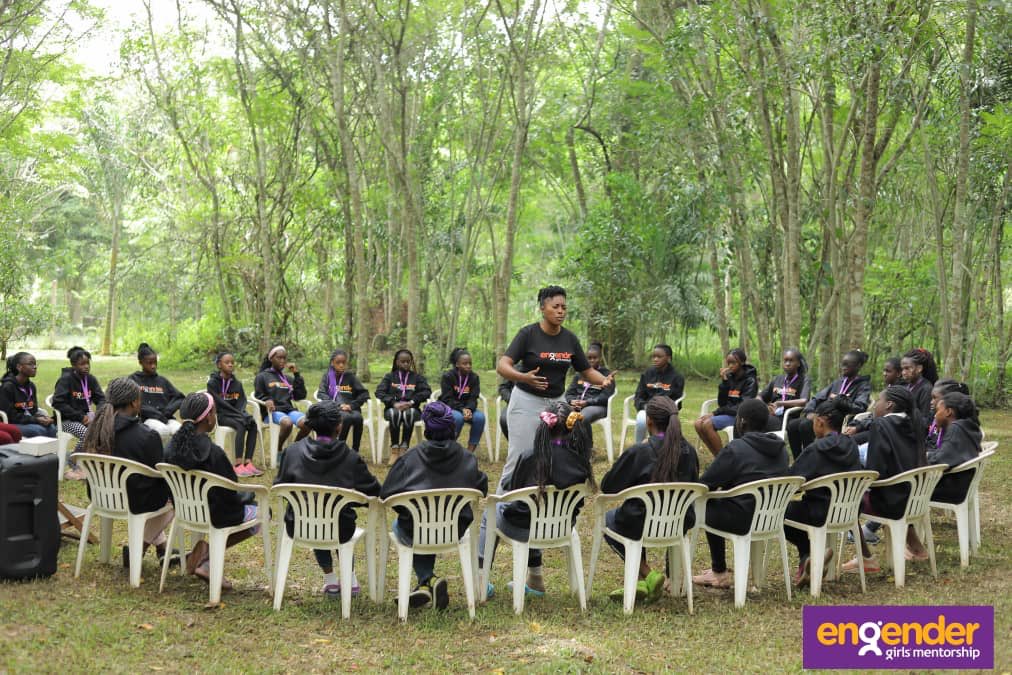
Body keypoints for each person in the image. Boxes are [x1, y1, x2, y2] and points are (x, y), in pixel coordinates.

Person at [496, 285, 614, 491]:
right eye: (555, 306)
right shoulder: (528, 334)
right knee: (520, 457)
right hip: (526, 401)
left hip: (557, 405)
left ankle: (548, 513)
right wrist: (523, 377)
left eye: (564, 307)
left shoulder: (569, 339)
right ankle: (499, 512)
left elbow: (586, 370)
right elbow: (503, 365)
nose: (561, 311)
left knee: (556, 457)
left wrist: (602, 380)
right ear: (543, 308)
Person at [479, 400, 595, 599]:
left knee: (493, 513)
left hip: (523, 528)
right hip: (562, 526)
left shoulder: (529, 456)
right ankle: (536, 578)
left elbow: (510, 489)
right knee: (536, 512)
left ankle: (480, 579)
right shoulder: (581, 461)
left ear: (543, 427)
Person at [380, 401, 488, 610]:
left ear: (427, 427)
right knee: (420, 523)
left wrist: (410, 510)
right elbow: (481, 487)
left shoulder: (410, 458)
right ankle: (427, 582)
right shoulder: (467, 457)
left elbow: (387, 493)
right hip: (454, 529)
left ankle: (426, 579)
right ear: (451, 427)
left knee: (401, 525)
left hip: (417, 529)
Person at [274, 400, 380, 597]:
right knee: (336, 515)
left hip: (300, 524)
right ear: (339, 426)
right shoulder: (350, 457)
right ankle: (351, 578)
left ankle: (330, 580)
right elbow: (372, 492)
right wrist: (350, 498)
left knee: (315, 513)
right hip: (341, 527)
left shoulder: (291, 452)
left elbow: (280, 485)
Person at [600, 397, 699, 602]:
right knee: (635, 512)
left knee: (611, 518)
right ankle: (640, 583)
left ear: (649, 422)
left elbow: (609, 486)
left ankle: (647, 573)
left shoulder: (640, 451)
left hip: (641, 523)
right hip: (679, 523)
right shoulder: (690, 451)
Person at [164, 392, 261, 589]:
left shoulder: (170, 448)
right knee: (261, 513)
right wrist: (248, 496)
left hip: (185, 512)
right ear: (208, 417)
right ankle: (208, 557)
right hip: (217, 514)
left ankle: (203, 557)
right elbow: (230, 491)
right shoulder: (214, 453)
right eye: (215, 412)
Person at [692, 399, 790, 589]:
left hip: (742, 519)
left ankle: (719, 572)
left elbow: (705, 485)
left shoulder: (735, 449)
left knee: (707, 503)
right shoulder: (781, 449)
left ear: (741, 422)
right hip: (772, 518)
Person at [80, 378, 174, 568]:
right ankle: (138, 548)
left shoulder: (95, 429)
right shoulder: (147, 435)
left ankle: (163, 546)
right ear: (134, 402)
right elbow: (158, 472)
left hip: (101, 495)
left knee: (153, 490)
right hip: (134, 500)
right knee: (174, 497)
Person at [842, 386, 925, 574]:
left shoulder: (880, 425)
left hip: (890, 502)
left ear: (889, 405)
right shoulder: (915, 422)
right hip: (915, 499)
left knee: (846, 501)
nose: (874, 405)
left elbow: (875, 470)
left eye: (878, 400)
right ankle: (915, 545)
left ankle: (866, 558)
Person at [782, 397, 861, 586]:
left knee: (781, 511)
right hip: (849, 512)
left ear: (819, 422)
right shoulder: (851, 444)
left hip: (820, 512)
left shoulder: (816, 449)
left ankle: (809, 553)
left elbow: (792, 480)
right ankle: (807, 561)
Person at [786, 350, 872, 459]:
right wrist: (810, 411)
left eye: (847, 365)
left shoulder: (863, 386)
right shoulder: (838, 382)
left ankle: (812, 458)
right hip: (822, 416)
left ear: (858, 366)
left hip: (838, 420)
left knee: (805, 426)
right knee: (792, 425)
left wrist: (838, 399)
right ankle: (798, 458)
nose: (843, 367)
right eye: (842, 364)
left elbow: (860, 407)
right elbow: (816, 398)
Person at [52, 346, 106, 479]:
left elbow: (102, 399)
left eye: (88, 363)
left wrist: (98, 414)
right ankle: (74, 461)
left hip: (86, 418)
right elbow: (58, 403)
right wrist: (80, 417)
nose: (86, 366)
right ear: (73, 365)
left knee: (104, 431)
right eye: (82, 364)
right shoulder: (66, 380)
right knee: (87, 434)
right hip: (67, 420)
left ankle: (89, 463)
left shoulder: (91, 379)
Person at [694, 348, 759, 457]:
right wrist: (724, 382)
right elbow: (722, 403)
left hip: (741, 416)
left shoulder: (750, 381)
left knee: (707, 424)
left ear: (742, 362)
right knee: (698, 424)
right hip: (728, 413)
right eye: (728, 363)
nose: (730, 366)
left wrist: (715, 413)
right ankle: (719, 457)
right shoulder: (729, 377)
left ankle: (725, 459)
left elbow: (742, 407)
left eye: (733, 363)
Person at [207, 352, 261, 477]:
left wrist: (241, 413)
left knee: (252, 423)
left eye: (232, 362)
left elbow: (242, 401)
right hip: (221, 415)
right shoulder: (213, 383)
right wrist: (239, 415)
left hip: (235, 414)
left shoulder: (237, 384)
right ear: (219, 365)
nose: (230, 365)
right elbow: (219, 403)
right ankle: (237, 464)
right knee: (241, 424)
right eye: (227, 363)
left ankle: (248, 462)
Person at [376, 349, 432, 465]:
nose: (406, 364)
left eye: (408, 361)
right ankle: (395, 449)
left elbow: (426, 391)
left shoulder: (417, 377)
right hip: (392, 408)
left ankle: (404, 448)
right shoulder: (389, 377)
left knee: (409, 413)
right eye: (403, 361)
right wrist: (393, 403)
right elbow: (379, 392)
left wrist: (411, 402)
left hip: (412, 409)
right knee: (393, 413)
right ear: (397, 362)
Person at [925, 391, 982, 504]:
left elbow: (939, 461)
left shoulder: (955, 429)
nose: (935, 415)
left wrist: (925, 456)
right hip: (962, 484)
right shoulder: (969, 426)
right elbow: (947, 453)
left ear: (948, 412)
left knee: (906, 488)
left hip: (951, 489)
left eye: (937, 410)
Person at [129, 343, 184, 446]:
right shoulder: (133, 380)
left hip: (165, 417)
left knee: (181, 431)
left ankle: (177, 459)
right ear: (140, 362)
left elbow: (179, 398)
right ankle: (162, 459)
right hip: (146, 419)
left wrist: (167, 411)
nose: (153, 366)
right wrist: (155, 414)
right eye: (149, 363)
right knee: (163, 431)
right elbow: (133, 403)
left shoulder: (162, 381)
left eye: (155, 362)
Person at [254, 345, 309, 448]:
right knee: (287, 423)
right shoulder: (262, 376)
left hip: (288, 410)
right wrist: (267, 400)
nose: (282, 360)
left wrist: (296, 374)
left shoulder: (287, 379)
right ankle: (278, 449)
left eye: (284, 358)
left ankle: (293, 449)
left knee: (307, 423)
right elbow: (259, 395)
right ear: (271, 359)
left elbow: (300, 395)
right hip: (272, 413)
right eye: (279, 358)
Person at [316, 348, 370, 454]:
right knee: (345, 418)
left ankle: (355, 451)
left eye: (343, 363)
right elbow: (321, 393)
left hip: (351, 408)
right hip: (334, 409)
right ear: (332, 363)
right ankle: (340, 448)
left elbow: (364, 394)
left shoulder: (350, 377)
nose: (341, 365)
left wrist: (351, 405)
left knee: (358, 418)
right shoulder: (327, 376)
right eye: (338, 363)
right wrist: (338, 405)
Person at [843, 356, 901, 445]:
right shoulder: (889, 388)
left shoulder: (898, 393)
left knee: (848, 441)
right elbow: (874, 415)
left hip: (882, 430)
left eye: (888, 371)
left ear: (898, 373)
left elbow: (883, 417)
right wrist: (856, 425)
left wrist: (858, 428)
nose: (884, 374)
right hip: (874, 424)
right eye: (884, 370)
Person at [632, 344, 683, 443]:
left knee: (659, 426)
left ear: (668, 358)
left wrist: (660, 409)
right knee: (642, 421)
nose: (655, 359)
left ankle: (659, 445)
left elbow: (677, 402)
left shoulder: (677, 377)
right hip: (646, 408)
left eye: (659, 357)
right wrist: (644, 406)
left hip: (664, 411)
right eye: (654, 356)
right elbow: (638, 395)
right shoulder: (647, 374)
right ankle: (639, 448)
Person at [439, 348, 485, 453]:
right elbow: (447, 398)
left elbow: (473, 397)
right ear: (457, 364)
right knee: (458, 418)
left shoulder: (474, 377)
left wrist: (468, 408)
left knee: (480, 418)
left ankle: (469, 452)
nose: (468, 366)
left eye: (470, 363)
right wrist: (462, 409)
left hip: (468, 408)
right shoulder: (448, 376)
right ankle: (449, 447)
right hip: (450, 407)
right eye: (465, 363)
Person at [0, 352, 57, 438]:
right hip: (12, 423)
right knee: (38, 431)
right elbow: (10, 416)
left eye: (35, 364)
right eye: (30, 364)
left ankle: (50, 451)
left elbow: (33, 410)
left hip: (28, 421)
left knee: (52, 428)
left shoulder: (31, 386)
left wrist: (42, 418)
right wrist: (36, 420)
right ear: (19, 367)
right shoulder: (7, 387)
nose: (35, 367)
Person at [759, 348, 812, 433]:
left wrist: (780, 403)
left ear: (798, 363)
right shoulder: (778, 379)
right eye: (785, 361)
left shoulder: (804, 379)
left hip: (787, 418)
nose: (787, 364)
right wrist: (765, 408)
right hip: (771, 415)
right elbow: (760, 396)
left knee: (760, 424)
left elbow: (804, 401)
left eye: (791, 361)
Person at [564, 341, 615, 426]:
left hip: (597, 406)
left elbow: (605, 397)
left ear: (600, 358)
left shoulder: (607, 375)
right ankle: (565, 439)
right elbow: (569, 393)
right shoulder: (579, 374)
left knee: (581, 417)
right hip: (577, 405)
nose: (592, 360)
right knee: (560, 414)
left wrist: (587, 402)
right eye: (589, 358)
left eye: (595, 358)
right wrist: (571, 401)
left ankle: (583, 439)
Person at [925, 379, 969, 450]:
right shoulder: (933, 415)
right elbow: (929, 440)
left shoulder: (954, 425)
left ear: (948, 400)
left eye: (934, 398)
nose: (931, 402)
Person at [900, 348, 938, 424]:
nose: (903, 373)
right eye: (902, 369)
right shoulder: (907, 386)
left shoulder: (926, 389)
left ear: (919, 368)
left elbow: (925, 420)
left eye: (907, 368)